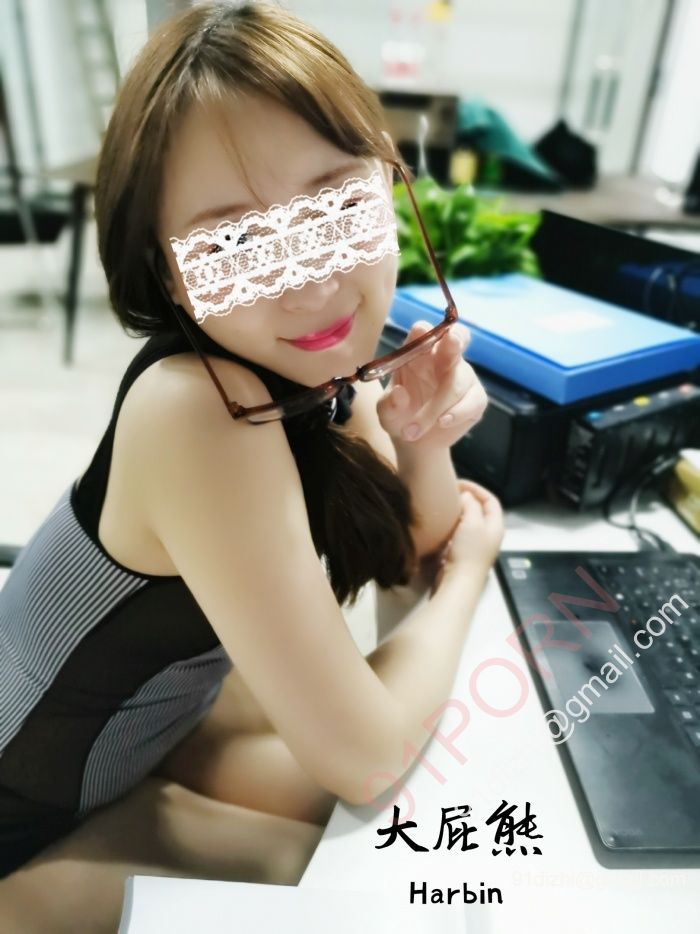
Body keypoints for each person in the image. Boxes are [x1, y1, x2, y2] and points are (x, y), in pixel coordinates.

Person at [0, 1, 503, 930]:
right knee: (402, 883)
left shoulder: (303, 360)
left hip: (149, 730)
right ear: (168, 269)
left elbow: (406, 548)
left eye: (334, 209)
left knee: (422, 844)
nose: (310, 281)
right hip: (26, 818)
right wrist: (471, 571)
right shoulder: (199, 411)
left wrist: (423, 434)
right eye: (235, 244)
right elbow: (369, 755)